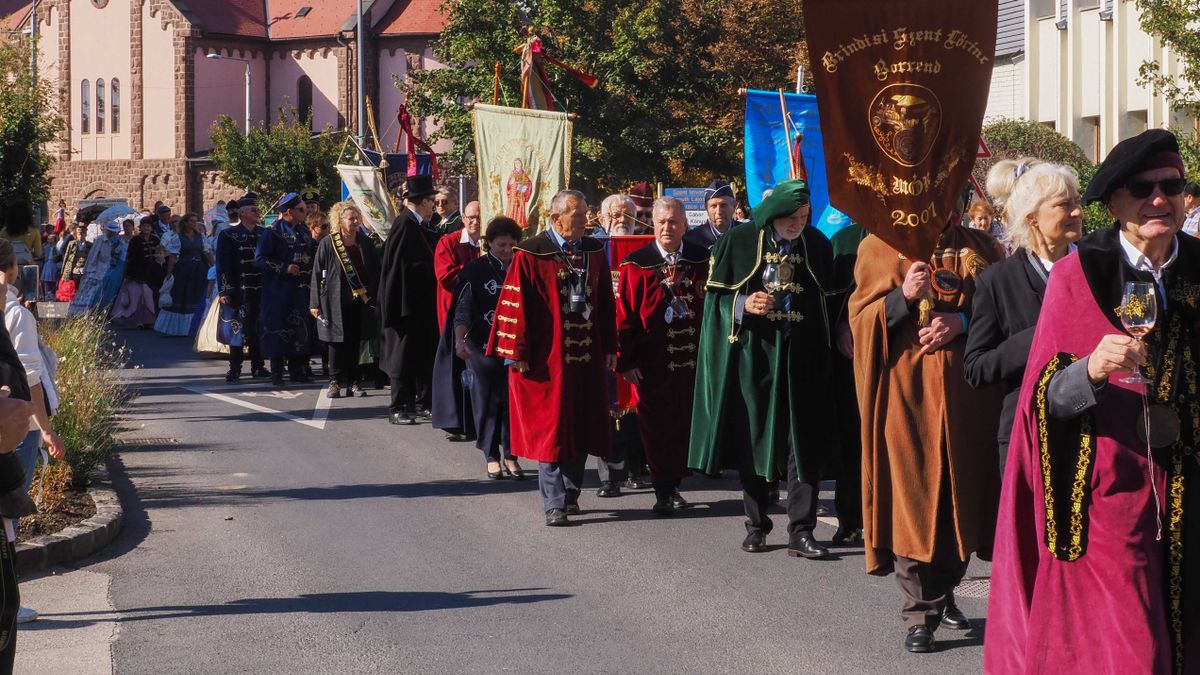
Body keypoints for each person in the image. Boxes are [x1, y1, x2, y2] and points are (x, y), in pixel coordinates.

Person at [985, 129, 1200, 673]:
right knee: (1133, 647)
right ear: (1115, 205)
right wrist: (1090, 369)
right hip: (1111, 499)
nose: (1159, 198)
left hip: (1192, 485)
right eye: (1143, 188)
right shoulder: (1080, 273)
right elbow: (1045, 400)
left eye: (1171, 185)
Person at [849, 209, 1006, 653]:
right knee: (912, 499)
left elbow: (1008, 313)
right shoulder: (877, 246)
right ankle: (921, 613)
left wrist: (963, 323)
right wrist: (901, 297)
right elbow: (860, 323)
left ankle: (946, 585)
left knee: (962, 499)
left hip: (969, 402)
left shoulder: (983, 248)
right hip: (905, 397)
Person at [689, 179, 837, 558]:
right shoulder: (737, 242)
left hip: (803, 358)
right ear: (772, 215)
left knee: (802, 443)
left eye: (804, 217)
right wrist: (742, 303)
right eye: (791, 217)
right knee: (753, 441)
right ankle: (757, 524)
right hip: (755, 356)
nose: (798, 224)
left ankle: (801, 532)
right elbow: (716, 301)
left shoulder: (817, 245)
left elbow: (831, 304)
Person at [488, 189, 617, 526]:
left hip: (586, 356)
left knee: (582, 425)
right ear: (556, 218)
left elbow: (604, 303)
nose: (585, 221)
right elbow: (513, 308)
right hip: (547, 359)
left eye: (586, 214)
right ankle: (553, 503)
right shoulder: (531, 253)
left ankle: (571, 492)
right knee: (550, 430)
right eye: (578, 215)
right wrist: (516, 353)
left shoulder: (593, 251)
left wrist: (609, 348)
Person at [965, 159, 1083, 474]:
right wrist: (1038, 335)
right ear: (1033, 218)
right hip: (1027, 429)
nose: (1077, 212)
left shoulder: (1098, 265)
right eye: (1064, 205)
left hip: (1095, 428)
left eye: (1077, 203)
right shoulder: (998, 280)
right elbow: (976, 368)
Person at [615, 197, 708, 515]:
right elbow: (625, 316)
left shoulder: (701, 260)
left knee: (684, 424)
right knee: (657, 427)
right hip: (652, 364)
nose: (667, 227)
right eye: (662, 222)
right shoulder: (635, 264)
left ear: (685, 225)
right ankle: (663, 490)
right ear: (653, 224)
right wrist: (626, 361)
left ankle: (676, 484)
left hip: (695, 362)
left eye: (674, 221)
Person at [451, 217, 524, 479]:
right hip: (481, 345)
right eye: (501, 244)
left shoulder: (522, 267)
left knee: (512, 401)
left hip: (514, 347)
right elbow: (462, 310)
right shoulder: (475, 270)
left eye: (511, 245)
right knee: (487, 400)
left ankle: (512, 455)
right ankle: (491, 454)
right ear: (490, 243)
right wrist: (460, 340)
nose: (506, 250)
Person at [379, 174, 442, 424]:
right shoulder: (405, 223)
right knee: (402, 357)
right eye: (432, 201)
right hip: (405, 303)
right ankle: (398, 406)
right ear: (422, 201)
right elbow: (397, 266)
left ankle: (422, 402)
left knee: (422, 353)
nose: (434, 206)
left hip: (419, 302)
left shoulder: (417, 224)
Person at [310, 202, 381, 398]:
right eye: (351, 218)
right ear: (340, 221)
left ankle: (355, 382)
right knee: (335, 343)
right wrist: (315, 303)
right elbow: (317, 273)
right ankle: (334, 382)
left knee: (356, 342)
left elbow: (375, 272)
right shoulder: (329, 243)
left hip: (361, 300)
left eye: (357, 218)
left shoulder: (365, 243)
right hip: (334, 300)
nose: (356, 221)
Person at [828, 219, 868, 544]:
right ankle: (851, 518)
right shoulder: (842, 241)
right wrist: (839, 326)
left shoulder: (905, 237)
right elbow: (831, 299)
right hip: (851, 356)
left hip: (894, 354)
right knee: (852, 438)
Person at [432, 201, 482, 441]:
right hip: (455, 315)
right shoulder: (449, 242)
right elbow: (445, 276)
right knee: (457, 369)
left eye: (480, 217)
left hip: (481, 317)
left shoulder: (488, 245)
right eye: (471, 217)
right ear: (463, 218)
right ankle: (457, 421)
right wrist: (475, 269)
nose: (475, 221)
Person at [256, 193, 317, 386]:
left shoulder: (304, 230)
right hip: (278, 290)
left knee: (299, 328)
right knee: (278, 328)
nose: (305, 212)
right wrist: (284, 268)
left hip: (300, 288)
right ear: (289, 212)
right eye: (301, 209)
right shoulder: (272, 232)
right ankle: (276, 372)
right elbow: (261, 258)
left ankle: (297, 370)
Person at [215, 197, 267, 382]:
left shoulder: (264, 233)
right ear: (242, 212)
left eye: (257, 209)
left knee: (257, 329)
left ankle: (258, 367)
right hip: (238, 290)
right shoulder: (228, 234)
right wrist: (225, 291)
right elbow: (223, 264)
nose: (257, 212)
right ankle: (235, 368)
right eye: (253, 209)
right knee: (236, 329)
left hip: (260, 290)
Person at [154, 213, 209, 335]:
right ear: (185, 223)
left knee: (198, 296)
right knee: (182, 296)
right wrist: (169, 273)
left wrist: (214, 266)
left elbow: (206, 252)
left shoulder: (201, 237)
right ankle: (182, 328)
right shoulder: (177, 238)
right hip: (183, 270)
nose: (194, 223)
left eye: (195, 221)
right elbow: (173, 257)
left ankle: (197, 327)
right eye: (192, 221)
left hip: (199, 270)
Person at [111, 216, 162, 328]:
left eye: (148, 226)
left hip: (152, 272)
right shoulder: (135, 240)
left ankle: (149, 321)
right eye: (144, 226)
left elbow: (160, 253)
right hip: (137, 271)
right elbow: (131, 256)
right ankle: (139, 321)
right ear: (140, 228)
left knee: (150, 296)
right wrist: (129, 273)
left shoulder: (155, 239)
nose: (146, 228)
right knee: (138, 297)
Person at [68, 219, 127, 316]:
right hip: (97, 270)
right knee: (90, 293)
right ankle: (82, 313)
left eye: (113, 231)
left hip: (111, 270)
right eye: (110, 231)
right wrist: (88, 270)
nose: (111, 233)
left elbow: (122, 255)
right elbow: (93, 255)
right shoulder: (101, 239)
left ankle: (102, 312)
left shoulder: (120, 241)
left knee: (106, 293)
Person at [683, 179, 737, 250]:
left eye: (723, 205)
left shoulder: (747, 234)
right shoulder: (693, 239)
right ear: (706, 208)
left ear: (734, 206)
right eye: (713, 206)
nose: (719, 211)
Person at [54, 223, 90, 302]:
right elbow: (66, 256)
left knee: (83, 289)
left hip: (84, 270)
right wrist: (63, 271)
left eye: (82, 234)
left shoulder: (89, 245)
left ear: (85, 234)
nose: (80, 236)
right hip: (73, 270)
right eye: (79, 234)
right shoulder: (72, 243)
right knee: (73, 289)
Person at [505, 159, 533, 228]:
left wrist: (524, 187)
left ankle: (520, 222)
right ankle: (511, 222)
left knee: (519, 208)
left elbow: (528, 183)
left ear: (521, 164)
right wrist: (512, 182)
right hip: (513, 194)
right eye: (516, 163)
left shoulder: (524, 174)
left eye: (519, 163)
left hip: (520, 194)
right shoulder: (513, 173)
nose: (518, 165)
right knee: (512, 208)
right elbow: (509, 184)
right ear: (514, 165)